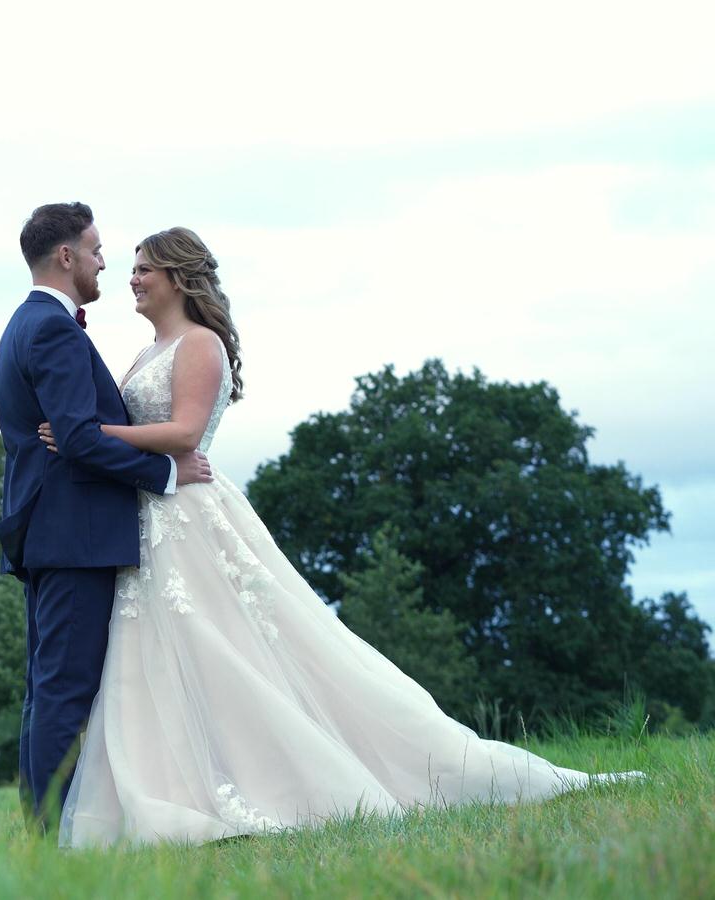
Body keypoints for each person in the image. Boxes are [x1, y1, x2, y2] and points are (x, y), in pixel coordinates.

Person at [38, 226, 644, 848]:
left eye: (144, 269)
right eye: (131, 268)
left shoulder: (200, 344)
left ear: (178, 276)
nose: (131, 278)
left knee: (232, 650)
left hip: (189, 518)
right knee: (163, 659)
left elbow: (187, 433)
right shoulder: (144, 353)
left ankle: (311, 777)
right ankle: (178, 788)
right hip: (149, 516)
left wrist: (95, 437)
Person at [0, 203, 214, 830]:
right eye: (96, 251)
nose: (105, 263)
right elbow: (80, 439)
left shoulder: (22, 324)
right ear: (67, 256)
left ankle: (45, 827)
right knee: (63, 691)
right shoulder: (55, 329)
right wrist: (167, 474)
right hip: (75, 536)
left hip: (48, 534)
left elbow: (71, 435)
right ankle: (50, 833)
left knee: (47, 690)